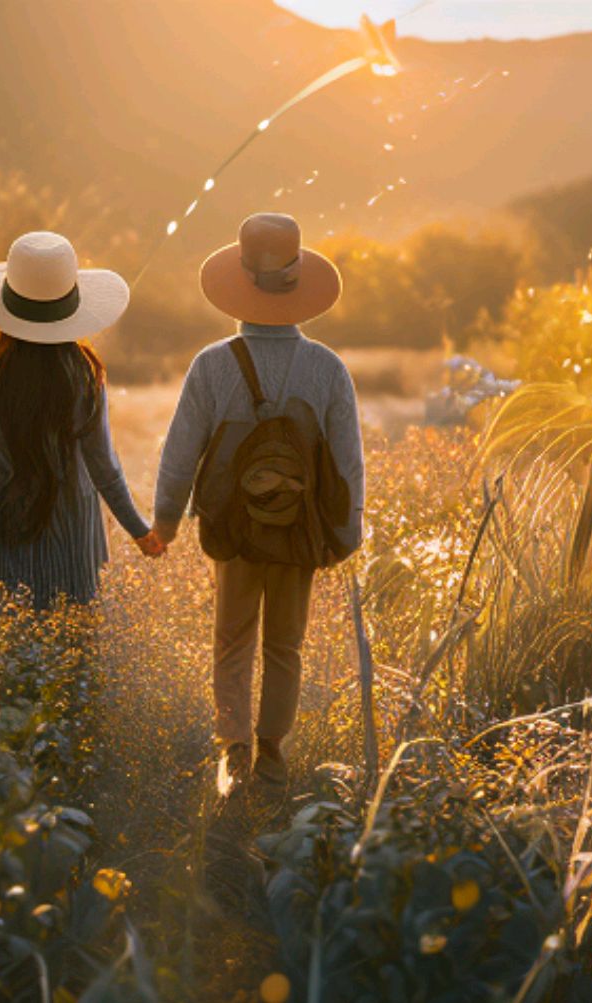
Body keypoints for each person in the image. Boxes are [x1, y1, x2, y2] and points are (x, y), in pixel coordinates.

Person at [153, 213, 364, 789]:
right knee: (285, 645)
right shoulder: (328, 369)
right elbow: (348, 464)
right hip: (300, 531)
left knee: (232, 639)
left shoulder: (212, 365)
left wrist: (165, 522)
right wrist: (347, 533)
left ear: (238, 288)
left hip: (231, 528)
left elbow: (180, 453)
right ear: (300, 289)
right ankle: (272, 751)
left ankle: (233, 752)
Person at [0, 231, 164, 609]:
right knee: (75, 652)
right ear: (69, 312)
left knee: (17, 648)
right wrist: (139, 531)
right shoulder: (82, 374)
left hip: (10, 531)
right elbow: (104, 468)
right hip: (75, 538)